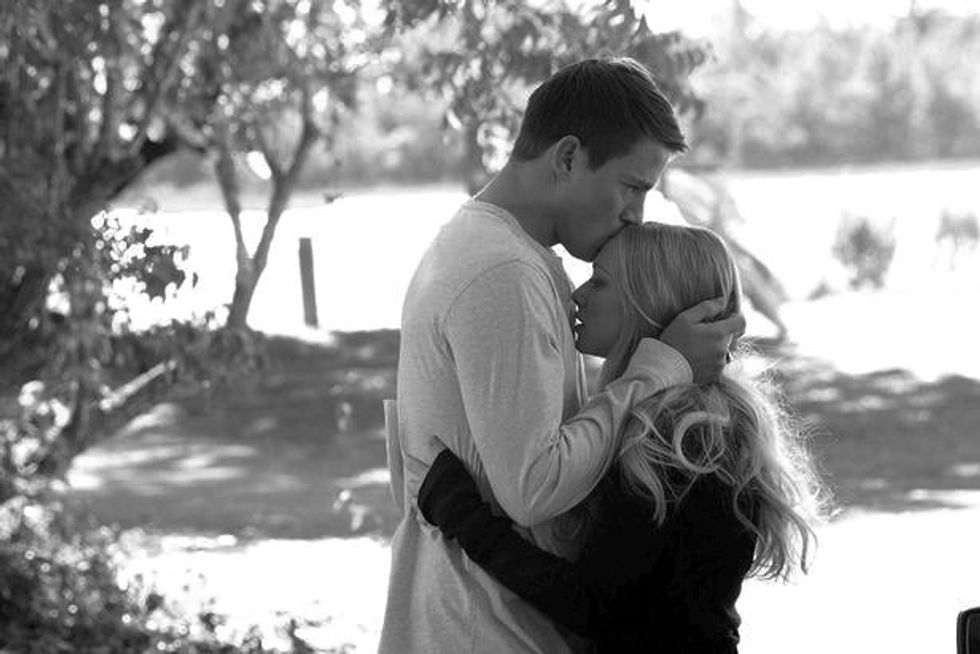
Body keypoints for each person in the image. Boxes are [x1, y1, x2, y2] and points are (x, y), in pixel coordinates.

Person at [380, 57, 745, 653]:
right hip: (487, 630)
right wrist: (661, 369)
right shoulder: (503, 271)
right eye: (633, 186)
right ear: (569, 156)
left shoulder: (496, 251)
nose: (636, 215)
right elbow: (533, 487)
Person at [418, 223, 828, 653]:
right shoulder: (678, 421)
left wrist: (462, 514)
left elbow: (595, 606)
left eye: (600, 281)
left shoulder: (684, 442)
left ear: (649, 304)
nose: (578, 295)